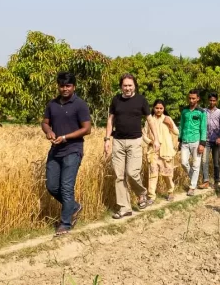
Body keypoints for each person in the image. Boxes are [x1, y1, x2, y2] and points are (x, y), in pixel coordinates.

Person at [42, 72, 92, 236]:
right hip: (55, 151)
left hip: (73, 150)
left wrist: (65, 137)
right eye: (62, 86)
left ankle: (65, 223)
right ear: (58, 86)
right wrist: (49, 132)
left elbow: (87, 129)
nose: (64, 89)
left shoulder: (80, 105)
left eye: (68, 86)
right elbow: (45, 122)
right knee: (52, 186)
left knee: (66, 187)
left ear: (74, 87)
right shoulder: (52, 104)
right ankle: (74, 206)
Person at [104, 73, 160, 219]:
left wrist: (156, 139)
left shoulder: (141, 100)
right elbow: (110, 120)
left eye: (130, 85)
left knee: (132, 172)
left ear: (134, 85)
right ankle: (124, 208)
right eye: (125, 85)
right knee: (118, 175)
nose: (127, 88)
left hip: (135, 141)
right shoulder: (115, 100)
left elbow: (150, 120)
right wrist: (107, 139)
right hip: (118, 141)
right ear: (121, 86)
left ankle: (141, 193)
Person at [142, 99, 179, 204]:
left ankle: (170, 192)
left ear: (164, 109)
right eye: (156, 108)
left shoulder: (168, 119)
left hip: (166, 151)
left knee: (167, 174)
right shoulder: (149, 120)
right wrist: (151, 141)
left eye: (161, 108)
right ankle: (151, 196)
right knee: (152, 174)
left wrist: (170, 125)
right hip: (153, 151)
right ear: (153, 108)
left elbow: (177, 132)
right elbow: (144, 135)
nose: (158, 110)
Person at [179, 89, 207, 196]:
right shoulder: (184, 111)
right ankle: (194, 178)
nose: (191, 100)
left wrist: (202, 144)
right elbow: (181, 125)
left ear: (198, 99)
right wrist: (179, 140)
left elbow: (203, 128)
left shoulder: (201, 112)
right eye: (190, 98)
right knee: (183, 162)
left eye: (193, 98)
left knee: (196, 164)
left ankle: (192, 187)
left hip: (196, 141)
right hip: (185, 141)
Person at [199, 92, 220, 189]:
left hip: (216, 140)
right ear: (208, 100)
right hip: (206, 140)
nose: (212, 102)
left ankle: (216, 180)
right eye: (210, 100)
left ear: (216, 101)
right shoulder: (203, 111)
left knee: (216, 161)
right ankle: (206, 181)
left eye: (214, 100)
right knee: (204, 161)